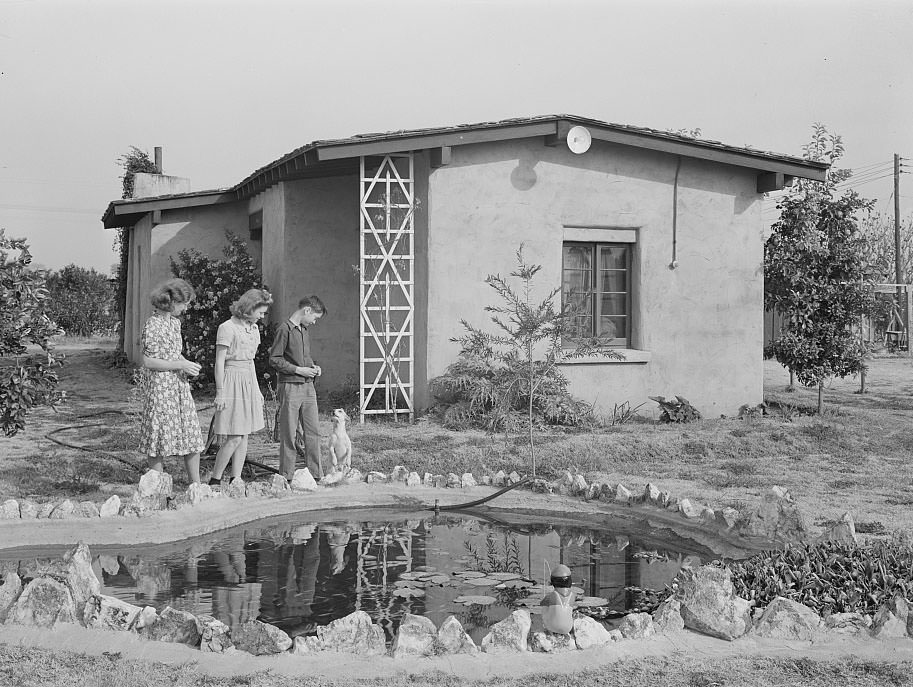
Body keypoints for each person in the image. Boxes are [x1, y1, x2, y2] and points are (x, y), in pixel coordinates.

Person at [138, 278, 204, 484]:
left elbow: (174, 353)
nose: (186, 308)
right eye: (184, 304)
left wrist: (187, 363)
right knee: (159, 435)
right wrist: (180, 365)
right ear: (172, 302)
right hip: (161, 387)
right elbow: (148, 361)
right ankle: (157, 488)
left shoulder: (175, 324)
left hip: (178, 384)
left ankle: (196, 486)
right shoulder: (153, 324)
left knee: (191, 432)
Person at [209, 288, 274, 486]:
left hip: (247, 379)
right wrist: (220, 392)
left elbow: (251, 361)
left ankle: (235, 479)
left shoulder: (253, 329)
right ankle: (215, 479)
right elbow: (219, 362)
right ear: (249, 307)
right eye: (260, 312)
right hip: (231, 380)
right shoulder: (227, 327)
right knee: (234, 435)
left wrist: (256, 389)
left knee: (244, 434)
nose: (262, 317)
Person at [269, 295, 327, 481]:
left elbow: (305, 357)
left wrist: (313, 367)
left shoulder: (304, 330)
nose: (315, 322)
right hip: (290, 387)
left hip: (308, 388)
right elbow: (275, 359)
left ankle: (316, 475)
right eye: (315, 318)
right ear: (307, 310)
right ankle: (286, 476)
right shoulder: (284, 329)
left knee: (313, 432)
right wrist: (298, 370)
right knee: (289, 432)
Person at [540, 563, 576, 635]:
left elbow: (542, 603)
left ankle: (549, 630)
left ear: (553, 582)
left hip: (553, 627)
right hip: (567, 628)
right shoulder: (573, 595)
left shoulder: (553, 595)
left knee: (545, 607)